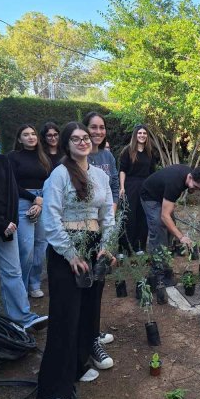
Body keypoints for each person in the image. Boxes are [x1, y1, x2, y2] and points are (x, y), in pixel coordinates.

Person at [37, 122, 115, 399]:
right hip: (66, 249)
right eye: (76, 139)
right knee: (65, 314)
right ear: (67, 145)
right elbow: (50, 218)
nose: (83, 141)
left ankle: (78, 365)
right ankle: (52, 388)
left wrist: (106, 245)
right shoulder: (59, 174)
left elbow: (107, 215)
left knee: (88, 310)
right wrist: (70, 254)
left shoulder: (100, 175)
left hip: (94, 248)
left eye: (86, 137)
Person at [0, 122, 48, 330]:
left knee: (13, 271)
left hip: (7, 224)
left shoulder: (2, 161)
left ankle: (22, 317)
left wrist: (11, 220)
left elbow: (12, 191)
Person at [83, 111, 119, 365]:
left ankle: (93, 332)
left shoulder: (107, 156)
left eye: (101, 127)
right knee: (85, 285)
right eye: (93, 127)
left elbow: (114, 186)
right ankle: (87, 338)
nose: (97, 131)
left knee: (99, 281)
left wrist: (110, 213)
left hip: (104, 226)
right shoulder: (80, 156)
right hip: (83, 228)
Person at [8, 124, 52, 298]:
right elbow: (11, 183)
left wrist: (41, 201)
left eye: (33, 133)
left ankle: (34, 283)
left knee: (41, 245)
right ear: (19, 139)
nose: (31, 137)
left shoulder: (43, 157)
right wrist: (33, 198)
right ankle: (22, 286)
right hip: (23, 202)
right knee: (26, 247)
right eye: (25, 134)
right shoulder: (13, 157)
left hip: (43, 201)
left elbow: (49, 182)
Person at [141, 165, 200, 253]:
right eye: (195, 187)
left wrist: (192, 188)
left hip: (162, 194)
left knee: (171, 222)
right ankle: (158, 257)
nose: (195, 189)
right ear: (190, 177)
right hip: (149, 195)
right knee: (158, 224)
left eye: (198, 189)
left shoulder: (191, 174)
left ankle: (167, 250)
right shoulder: (175, 183)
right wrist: (181, 237)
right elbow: (164, 216)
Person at [119, 125, 156, 253]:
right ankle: (125, 248)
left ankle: (139, 246)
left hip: (145, 187)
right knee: (129, 216)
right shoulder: (127, 151)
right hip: (130, 186)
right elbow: (122, 170)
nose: (142, 135)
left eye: (144, 133)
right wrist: (122, 187)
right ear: (135, 135)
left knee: (142, 217)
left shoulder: (150, 152)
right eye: (139, 133)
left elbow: (152, 173)